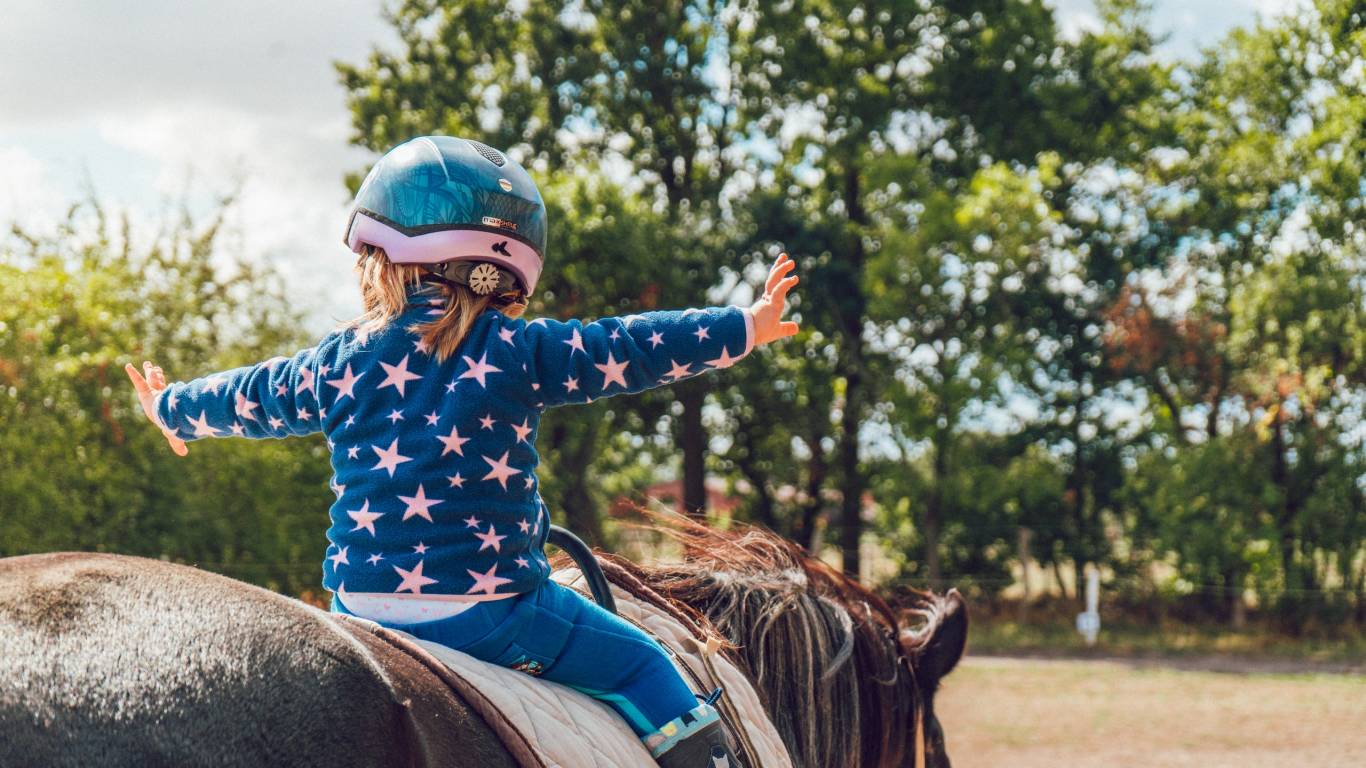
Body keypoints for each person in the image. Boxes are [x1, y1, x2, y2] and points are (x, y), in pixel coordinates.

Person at [125, 135, 798, 767]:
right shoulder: (519, 352)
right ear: (505, 272)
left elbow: (253, 394)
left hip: (360, 607)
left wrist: (173, 408)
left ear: (376, 260)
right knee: (643, 667)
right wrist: (745, 326)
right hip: (492, 612)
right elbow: (626, 346)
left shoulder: (335, 363)